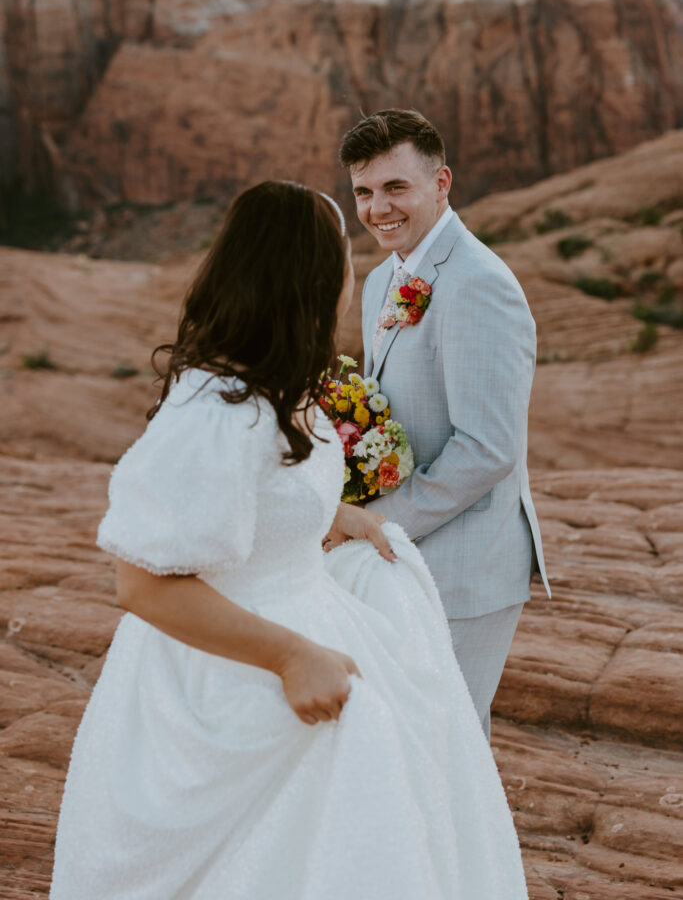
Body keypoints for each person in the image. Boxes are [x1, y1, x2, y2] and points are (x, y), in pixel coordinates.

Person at [50, 181, 528, 899]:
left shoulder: (272, 387)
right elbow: (142, 584)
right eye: (339, 260)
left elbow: (257, 492)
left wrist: (326, 514)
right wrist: (291, 656)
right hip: (227, 677)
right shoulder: (215, 413)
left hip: (309, 619)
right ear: (306, 280)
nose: (348, 277)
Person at [337, 109, 551, 740]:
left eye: (396, 188)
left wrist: (378, 522)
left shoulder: (479, 284)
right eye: (364, 192)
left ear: (441, 183)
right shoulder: (382, 281)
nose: (378, 208)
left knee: (445, 744)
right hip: (405, 555)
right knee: (400, 742)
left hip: (465, 563)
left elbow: (488, 449)